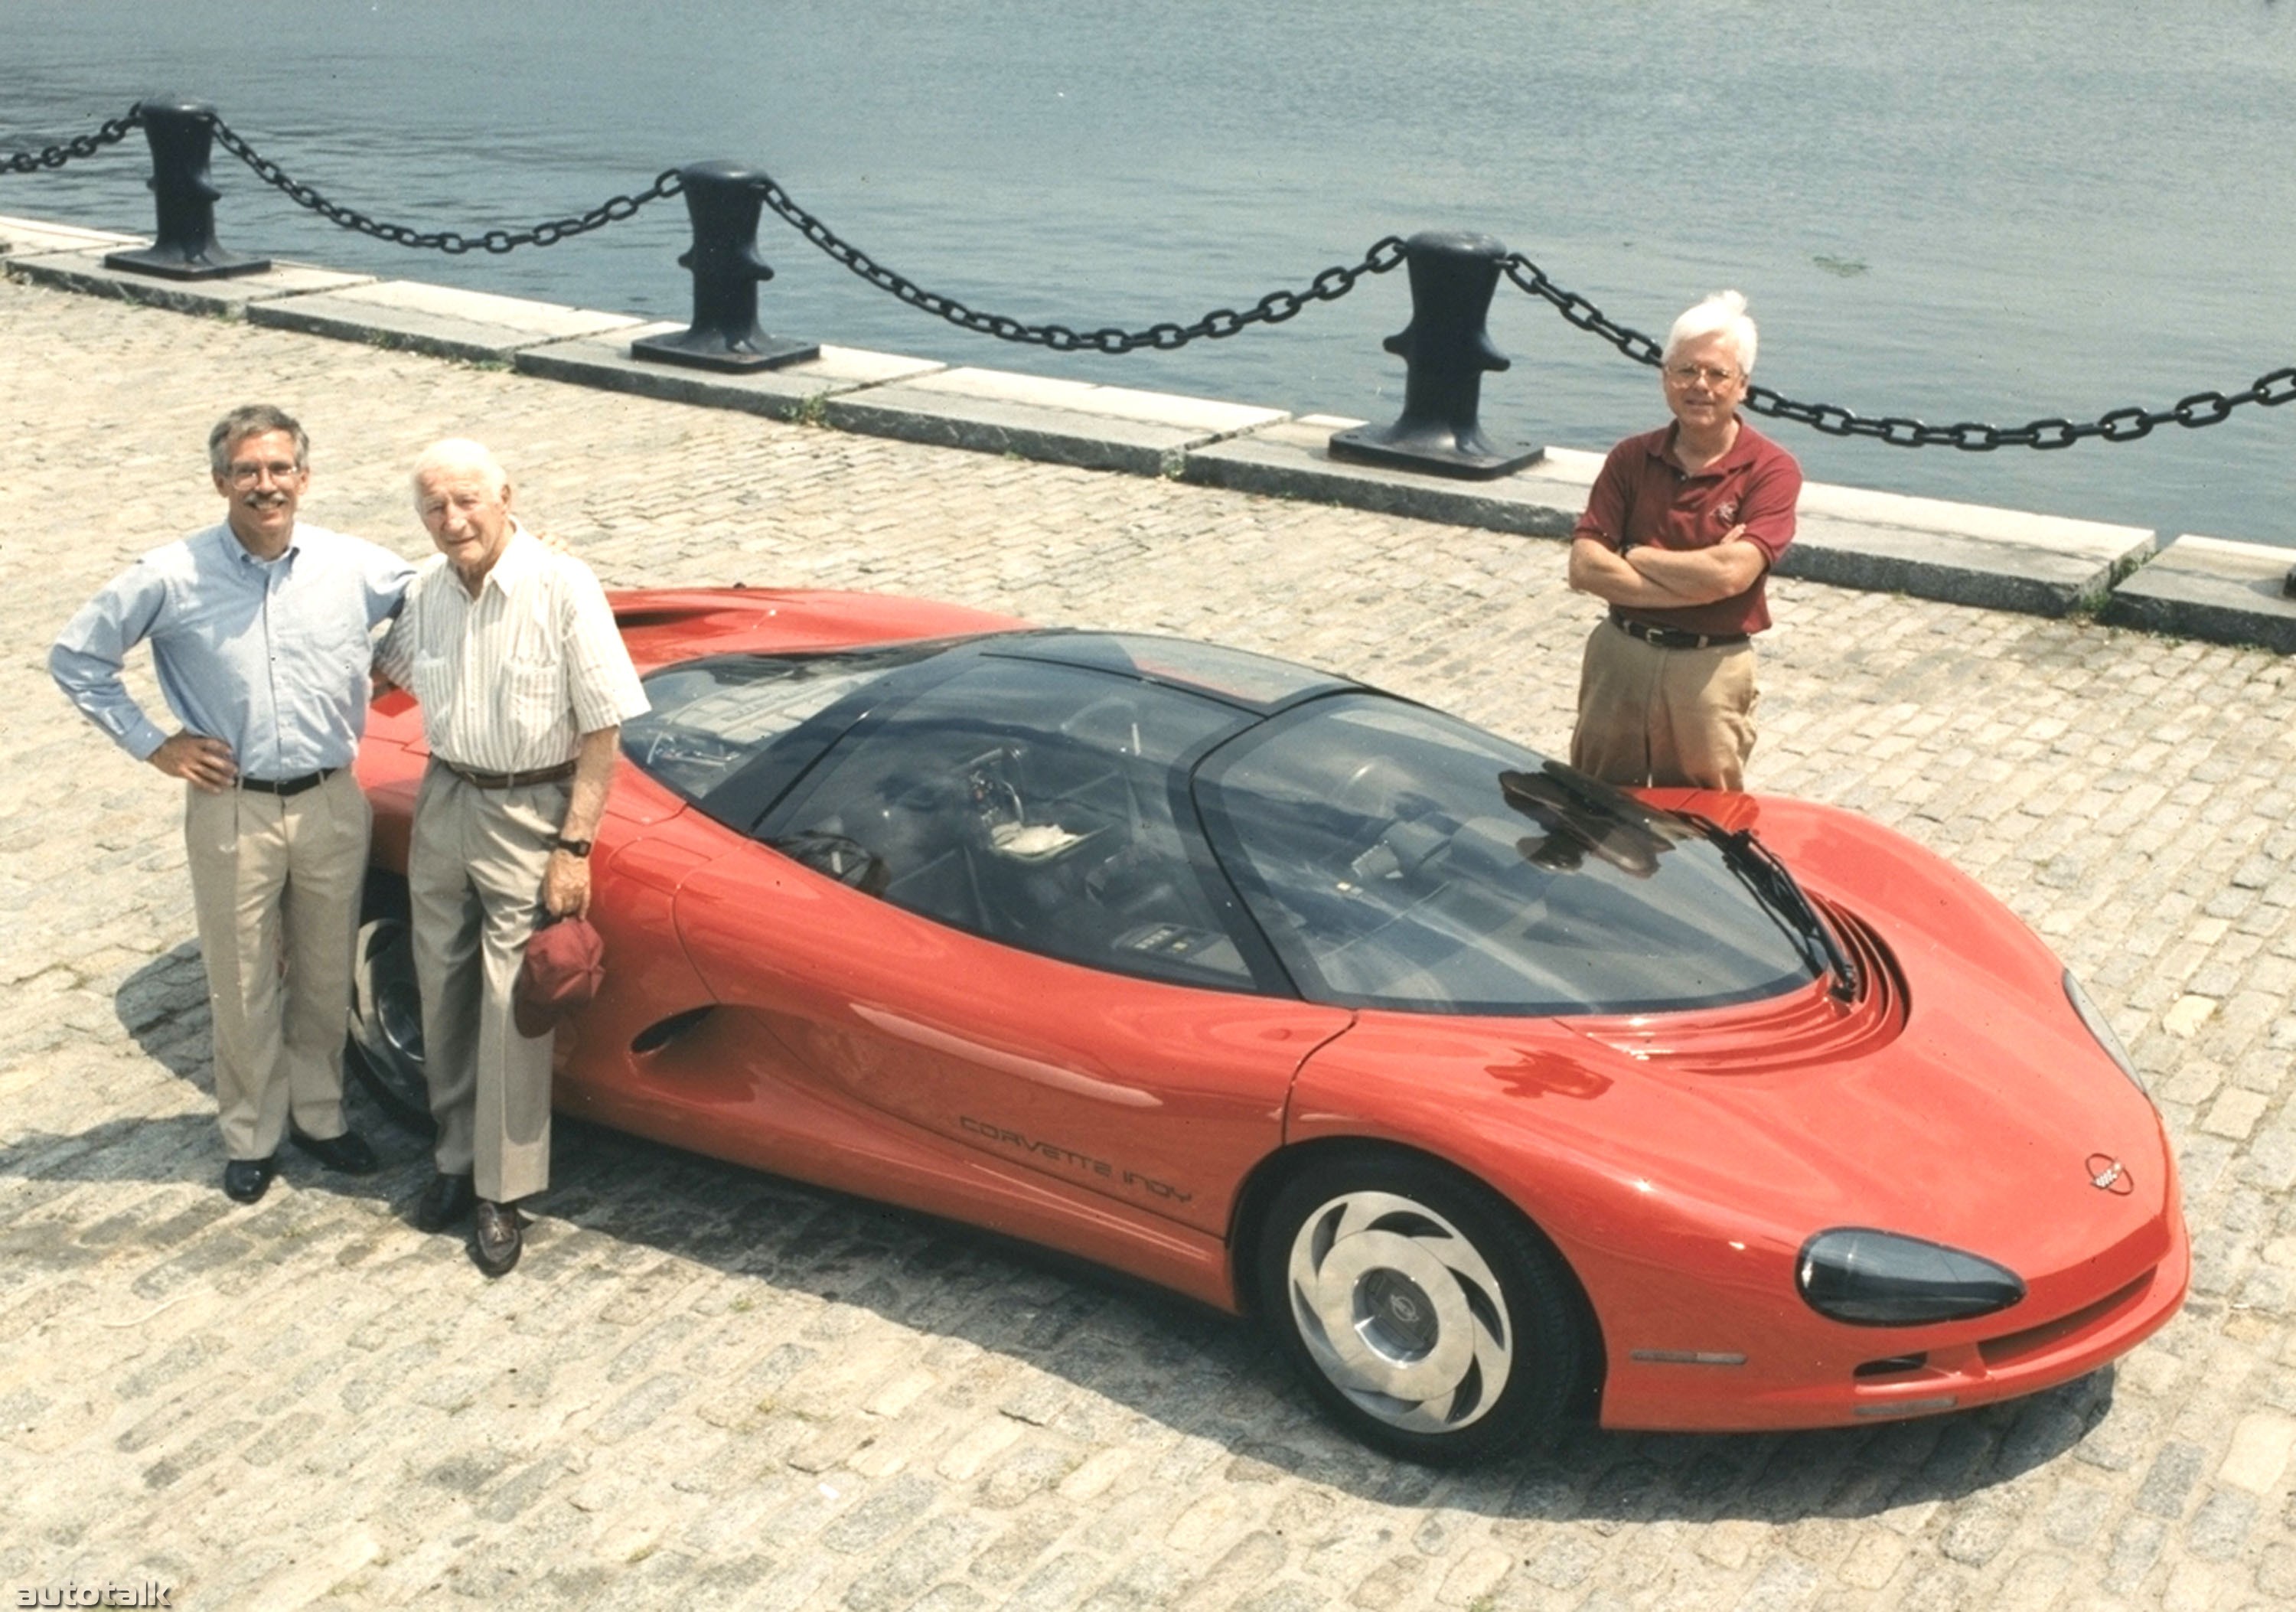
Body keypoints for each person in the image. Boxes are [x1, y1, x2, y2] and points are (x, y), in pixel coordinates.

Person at [50, 406, 414, 1202]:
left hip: (330, 799)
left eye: (280, 468)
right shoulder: (170, 575)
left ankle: (321, 1118)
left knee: (323, 975)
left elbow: (429, 601)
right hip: (232, 805)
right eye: (247, 471)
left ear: (305, 478)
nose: (265, 485)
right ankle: (250, 1133)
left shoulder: (353, 565)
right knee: (242, 978)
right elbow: (77, 658)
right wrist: (155, 744)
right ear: (221, 481)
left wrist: (391, 661)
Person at [376, 439, 647, 1277]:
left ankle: (505, 1190)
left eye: (467, 501)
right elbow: (387, 665)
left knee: (511, 1001)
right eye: (434, 508)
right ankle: (455, 1160)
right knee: (442, 984)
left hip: (533, 806)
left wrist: (574, 846)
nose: (452, 520)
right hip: (448, 795)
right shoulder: (425, 589)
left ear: (505, 496)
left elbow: (603, 726)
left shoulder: (563, 585)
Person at [1564, 290, 1801, 791]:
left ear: (1743, 387)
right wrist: (1701, 582)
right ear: (1665, 378)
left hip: (1709, 670)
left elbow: (1732, 574)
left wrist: (1636, 553)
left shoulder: (1772, 470)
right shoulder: (1630, 458)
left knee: (1704, 822)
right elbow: (1585, 567)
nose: (1701, 386)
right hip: (1619, 659)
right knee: (1595, 805)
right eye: (1686, 370)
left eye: (1718, 374)